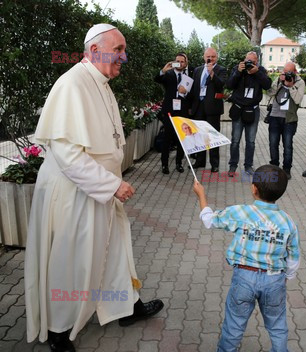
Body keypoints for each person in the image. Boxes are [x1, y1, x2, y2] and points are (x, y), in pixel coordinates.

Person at [24, 24, 163, 352]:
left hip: (97, 190)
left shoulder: (99, 82)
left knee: (115, 249)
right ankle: (59, 329)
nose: (123, 57)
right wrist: (112, 184)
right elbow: (68, 154)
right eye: (118, 50)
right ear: (95, 48)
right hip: (74, 194)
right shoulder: (72, 83)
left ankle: (126, 306)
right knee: (71, 260)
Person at [192, 164, 300, 352]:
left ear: (254, 189)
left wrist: (201, 195)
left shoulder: (240, 212)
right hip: (275, 280)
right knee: (277, 327)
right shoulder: (288, 221)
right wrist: (287, 277)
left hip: (244, 279)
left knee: (234, 326)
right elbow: (294, 256)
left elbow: (209, 220)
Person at [226, 51, 272, 176]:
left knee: (250, 141)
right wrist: (238, 72)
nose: (250, 64)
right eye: (248, 61)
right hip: (239, 108)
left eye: (253, 61)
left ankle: (248, 166)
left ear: (257, 62)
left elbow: (267, 85)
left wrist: (257, 72)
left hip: (253, 109)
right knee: (235, 140)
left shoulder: (260, 70)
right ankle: (233, 165)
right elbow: (229, 85)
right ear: (244, 60)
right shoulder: (238, 68)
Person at [189, 47, 228, 173]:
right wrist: (191, 106)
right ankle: (200, 161)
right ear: (204, 57)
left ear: (216, 57)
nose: (210, 59)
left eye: (213, 56)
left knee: (213, 137)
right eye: (208, 56)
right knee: (199, 136)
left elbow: (220, 84)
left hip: (212, 109)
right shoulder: (197, 70)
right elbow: (194, 88)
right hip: (198, 107)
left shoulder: (221, 70)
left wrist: (212, 74)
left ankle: (214, 164)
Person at [154, 52, 193, 174]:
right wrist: (163, 71)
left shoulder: (189, 76)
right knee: (167, 138)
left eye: (182, 61)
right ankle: (164, 165)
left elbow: (193, 94)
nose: (180, 63)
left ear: (186, 63)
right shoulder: (169, 74)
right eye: (177, 61)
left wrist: (185, 92)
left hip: (183, 111)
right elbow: (157, 80)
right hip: (169, 111)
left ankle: (179, 163)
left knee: (181, 138)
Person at [266, 62, 305, 179]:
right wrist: (279, 82)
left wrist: (291, 86)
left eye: (290, 72)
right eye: (285, 72)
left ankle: (286, 169)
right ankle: (274, 167)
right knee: (273, 144)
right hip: (274, 116)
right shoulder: (279, 80)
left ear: (295, 72)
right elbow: (269, 93)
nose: (287, 74)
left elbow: (298, 100)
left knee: (287, 145)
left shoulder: (300, 82)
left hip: (289, 119)